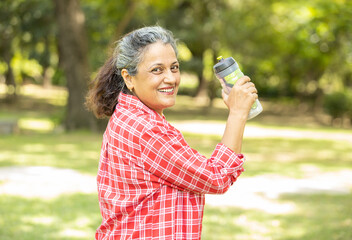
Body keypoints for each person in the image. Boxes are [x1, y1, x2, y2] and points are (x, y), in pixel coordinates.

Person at [85, 26, 258, 240]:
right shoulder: (145, 129)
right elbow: (216, 177)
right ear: (129, 78)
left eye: (174, 67)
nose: (171, 78)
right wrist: (238, 113)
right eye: (157, 70)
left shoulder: (130, 115)